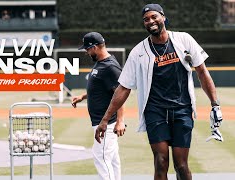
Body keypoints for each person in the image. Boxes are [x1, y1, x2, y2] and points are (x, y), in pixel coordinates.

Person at [95, 4, 223, 180]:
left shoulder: (183, 40)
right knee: (161, 161)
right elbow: (123, 87)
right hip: (155, 111)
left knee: (181, 165)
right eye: (146, 19)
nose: (150, 21)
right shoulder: (138, 52)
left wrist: (215, 104)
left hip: (182, 110)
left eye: (154, 17)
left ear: (163, 17)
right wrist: (105, 120)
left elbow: (202, 71)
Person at [71, 32, 126, 180]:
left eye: (87, 49)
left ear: (94, 47)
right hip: (102, 122)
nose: (86, 52)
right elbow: (101, 89)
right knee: (113, 160)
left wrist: (120, 121)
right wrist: (83, 96)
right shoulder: (101, 63)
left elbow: (120, 94)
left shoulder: (110, 67)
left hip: (106, 124)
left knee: (101, 158)